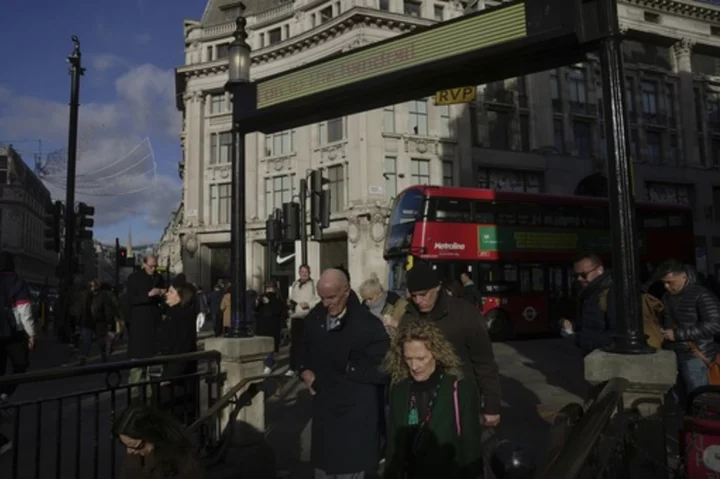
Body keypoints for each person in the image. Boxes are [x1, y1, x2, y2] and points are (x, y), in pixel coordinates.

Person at [300, 268, 390, 478]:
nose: (326, 303)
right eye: (322, 298)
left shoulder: (369, 324)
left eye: (331, 297)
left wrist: (350, 366)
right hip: (324, 415)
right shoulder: (316, 317)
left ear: (346, 291)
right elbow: (300, 349)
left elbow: (385, 370)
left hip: (355, 419)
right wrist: (304, 370)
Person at [401, 261, 501, 428]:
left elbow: (484, 362)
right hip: (420, 401)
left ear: (437, 288)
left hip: (460, 400)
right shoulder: (409, 317)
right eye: (414, 295)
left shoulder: (465, 314)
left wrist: (491, 405)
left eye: (423, 294)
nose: (418, 301)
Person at [383, 320, 484, 478]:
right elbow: (393, 448)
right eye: (408, 359)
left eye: (421, 358)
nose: (414, 366)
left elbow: (471, 451)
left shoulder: (461, 390)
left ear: (436, 354)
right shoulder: (399, 390)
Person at [656, 260, 720, 396]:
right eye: (664, 283)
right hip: (673, 353)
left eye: (670, 282)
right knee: (680, 398)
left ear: (684, 277)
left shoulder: (702, 294)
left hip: (695, 354)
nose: (666, 286)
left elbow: (715, 324)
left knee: (700, 397)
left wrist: (677, 334)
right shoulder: (667, 297)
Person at [0, 251, 35, 456]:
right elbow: (24, 310)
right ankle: (4, 394)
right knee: (21, 364)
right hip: (12, 332)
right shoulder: (17, 281)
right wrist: (31, 334)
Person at [113, 404, 205, 479]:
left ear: (152, 437)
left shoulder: (181, 459)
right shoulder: (134, 458)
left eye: (135, 445)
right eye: (124, 445)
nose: (129, 451)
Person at [158, 277, 199, 424]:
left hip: (178, 376)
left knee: (176, 417)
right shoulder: (173, 313)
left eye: (171, 291)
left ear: (180, 296)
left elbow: (183, 346)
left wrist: (170, 375)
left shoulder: (183, 316)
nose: (167, 294)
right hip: (170, 370)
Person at [125, 255, 166, 398]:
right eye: (151, 266)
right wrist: (149, 294)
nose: (153, 269)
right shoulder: (134, 278)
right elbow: (130, 299)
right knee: (136, 366)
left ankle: (151, 398)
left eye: (155, 266)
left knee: (152, 368)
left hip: (154, 324)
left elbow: (163, 297)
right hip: (139, 324)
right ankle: (134, 398)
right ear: (143, 264)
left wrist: (162, 293)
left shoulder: (159, 278)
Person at [560, 253, 616, 355]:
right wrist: (573, 326)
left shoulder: (612, 293)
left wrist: (576, 338)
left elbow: (615, 336)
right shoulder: (590, 293)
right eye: (576, 275)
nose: (579, 279)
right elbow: (593, 323)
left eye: (583, 274)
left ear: (599, 270)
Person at [287, 264, 319, 377]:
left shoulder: (314, 284)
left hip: (308, 317)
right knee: (295, 344)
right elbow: (292, 299)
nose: (303, 274)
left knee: (307, 343)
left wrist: (309, 304)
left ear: (309, 273)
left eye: (306, 272)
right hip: (296, 317)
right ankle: (293, 367)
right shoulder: (295, 284)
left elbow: (319, 300)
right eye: (302, 271)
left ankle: (306, 367)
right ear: (299, 272)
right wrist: (290, 307)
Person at [77, 279, 118, 364]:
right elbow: (81, 309)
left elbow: (108, 309)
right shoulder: (85, 296)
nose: (92, 288)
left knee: (100, 341)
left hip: (100, 322)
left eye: (94, 286)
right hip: (87, 321)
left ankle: (103, 353)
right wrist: (78, 322)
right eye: (90, 286)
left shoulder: (103, 296)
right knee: (86, 340)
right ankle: (83, 357)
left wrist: (109, 322)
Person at [358, 273, 408, 340]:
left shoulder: (398, 304)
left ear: (380, 294)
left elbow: (411, 328)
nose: (367, 302)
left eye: (370, 298)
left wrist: (395, 324)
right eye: (365, 299)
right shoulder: (363, 308)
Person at [255, 279, 287, 375]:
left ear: (275, 289)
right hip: (262, 325)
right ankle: (265, 363)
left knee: (272, 347)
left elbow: (278, 312)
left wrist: (269, 303)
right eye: (267, 288)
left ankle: (269, 364)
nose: (269, 290)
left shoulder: (278, 301)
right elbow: (256, 309)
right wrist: (257, 302)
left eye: (271, 288)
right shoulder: (262, 299)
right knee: (262, 346)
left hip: (273, 326)